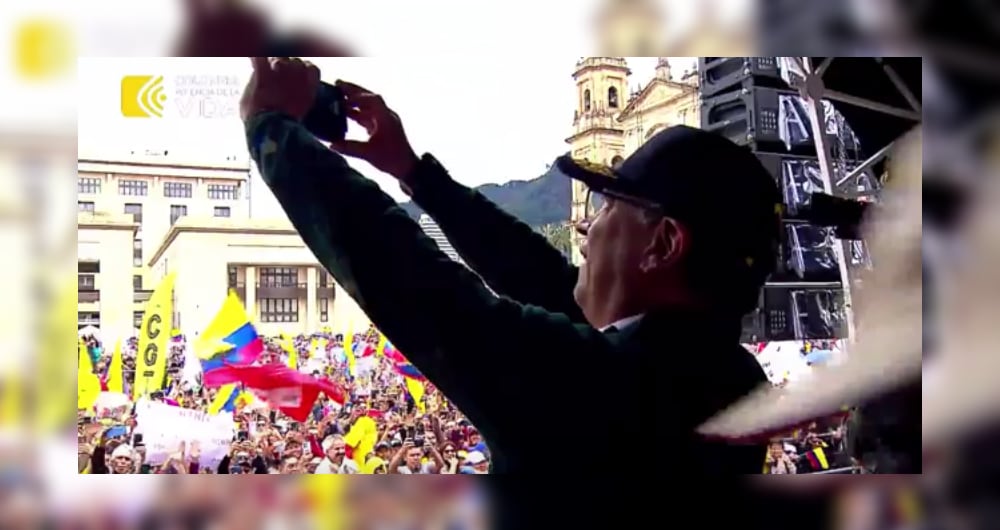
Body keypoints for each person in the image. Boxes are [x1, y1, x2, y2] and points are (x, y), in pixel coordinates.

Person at [239, 57, 777, 475]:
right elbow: (542, 278)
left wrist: (273, 131)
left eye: (610, 206)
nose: (587, 229)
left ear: (662, 245)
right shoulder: (727, 377)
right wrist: (415, 173)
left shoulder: (604, 386)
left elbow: (419, 284)